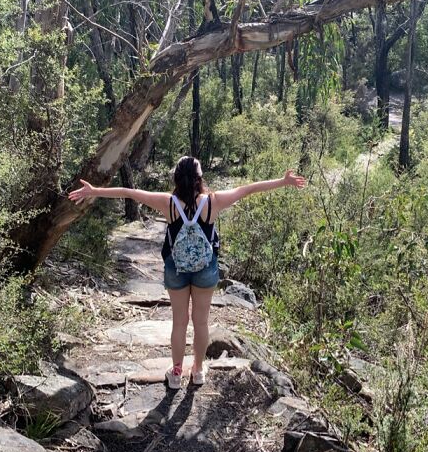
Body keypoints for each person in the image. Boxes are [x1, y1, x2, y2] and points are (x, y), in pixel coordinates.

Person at [68, 157, 306, 389]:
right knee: (201, 321)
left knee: (179, 322)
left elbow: (129, 192)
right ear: (199, 178)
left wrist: (94, 191)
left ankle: (176, 372)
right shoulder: (213, 201)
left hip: (176, 268)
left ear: (176, 177)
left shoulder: (167, 202)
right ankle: (199, 370)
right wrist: (283, 181)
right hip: (205, 269)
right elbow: (247, 189)